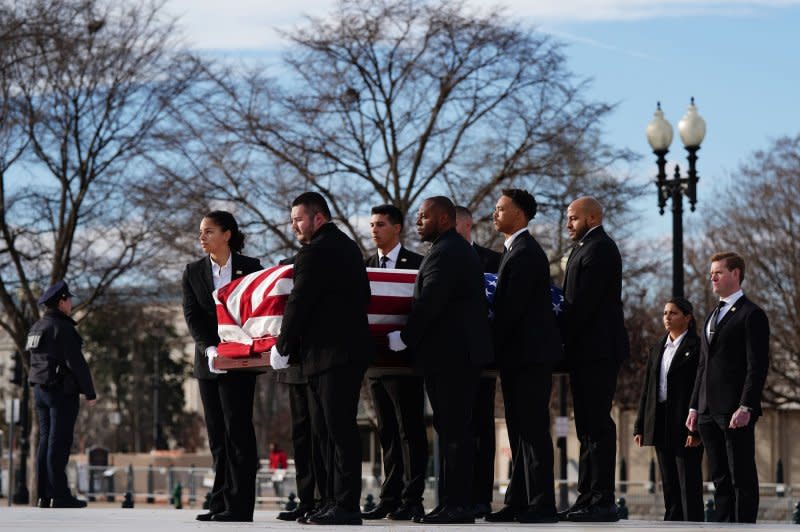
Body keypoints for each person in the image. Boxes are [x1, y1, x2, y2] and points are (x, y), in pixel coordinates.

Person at [388, 196, 493, 524]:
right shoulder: (452, 250)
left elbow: (430, 302)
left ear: (444, 219)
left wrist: (404, 337)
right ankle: (454, 503)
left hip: (452, 356)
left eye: (424, 216)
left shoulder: (446, 253)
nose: (418, 222)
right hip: (456, 355)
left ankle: (456, 505)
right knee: (454, 431)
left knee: (453, 433)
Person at [271, 191, 373, 525]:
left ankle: (345, 505)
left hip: (331, 355)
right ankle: (332, 501)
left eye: (299, 219)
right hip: (342, 352)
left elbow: (298, 302)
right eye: (292, 221)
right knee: (329, 433)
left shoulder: (315, 253)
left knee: (337, 431)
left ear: (319, 217)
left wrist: (282, 345)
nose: (295, 226)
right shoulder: (348, 248)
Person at [484, 189, 562, 524]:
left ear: (520, 214)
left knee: (531, 430)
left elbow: (510, 311)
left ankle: (542, 504)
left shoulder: (527, 253)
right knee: (518, 431)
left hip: (529, 357)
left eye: (501, 209)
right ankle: (518, 502)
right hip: (518, 357)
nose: (495, 214)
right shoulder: (515, 250)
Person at [181, 211, 263, 522]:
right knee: (217, 435)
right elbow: (192, 316)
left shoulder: (251, 268)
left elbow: (260, 312)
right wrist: (210, 348)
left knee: (238, 432)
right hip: (209, 363)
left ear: (227, 234)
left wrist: (239, 346)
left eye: (208, 231)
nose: (202, 237)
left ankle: (240, 506)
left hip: (240, 361)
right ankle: (219, 502)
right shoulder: (193, 272)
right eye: (200, 232)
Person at [559, 196, 629, 522]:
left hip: (599, 350)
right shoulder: (584, 247)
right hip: (585, 350)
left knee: (597, 424)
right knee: (586, 425)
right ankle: (586, 495)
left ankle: (602, 499)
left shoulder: (600, 247)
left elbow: (583, 303)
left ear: (591, 217)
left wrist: (558, 327)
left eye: (573, 218)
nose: (568, 224)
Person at [686, 252, 770, 523]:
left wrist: (746, 404)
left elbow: (756, 365)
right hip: (708, 410)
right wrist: (694, 406)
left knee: (740, 475)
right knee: (719, 477)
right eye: (711, 273)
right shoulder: (712, 315)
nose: (712, 277)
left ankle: (744, 527)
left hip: (735, 410)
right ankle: (722, 527)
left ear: (735, 274)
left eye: (718, 272)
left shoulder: (751, 314)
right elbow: (703, 365)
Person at [361, 204, 427, 522]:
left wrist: (407, 336)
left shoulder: (417, 263)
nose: (374, 229)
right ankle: (390, 497)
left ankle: (412, 498)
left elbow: (422, 307)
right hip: (375, 361)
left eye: (381, 224)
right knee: (387, 430)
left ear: (398, 228)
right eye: (372, 224)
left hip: (405, 361)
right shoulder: (366, 265)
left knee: (409, 430)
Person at [27, 280, 96, 509]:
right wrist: (90, 392)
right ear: (61, 302)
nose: (72, 303)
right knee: (58, 443)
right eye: (69, 299)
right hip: (60, 392)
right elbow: (76, 363)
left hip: (40, 391)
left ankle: (44, 495)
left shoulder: (37, 327)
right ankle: (60, 495)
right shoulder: (62, 328)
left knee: (45, 442)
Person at [634, 297, 703, 522]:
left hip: (684, 421)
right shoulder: (657, 348)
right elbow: (647, 389)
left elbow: (700, 387)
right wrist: (640, 425)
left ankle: (692, 524)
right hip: (660, 419)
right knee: (669, 479)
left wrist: (696, 429)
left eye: (673, 313)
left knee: (687, 479)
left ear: (687, 317)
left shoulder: (697, 347)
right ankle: (672, 522)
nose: (667, 317)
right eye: (665, 313)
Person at [273, 256, 332, 524]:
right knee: (301, 437)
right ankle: (306, 499)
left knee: (321, 435)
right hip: (294, 364)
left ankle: (325, 498)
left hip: (317, 359)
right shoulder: (287, 265)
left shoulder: (328, 262)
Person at [454, 204, 500, 518]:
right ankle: (455, 495)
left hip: (483, 358)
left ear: (466, 225)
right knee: (455, 429)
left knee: (481, 428)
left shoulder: (493, 261)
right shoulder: (433, 258)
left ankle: (481, 496)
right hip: (449, 358)